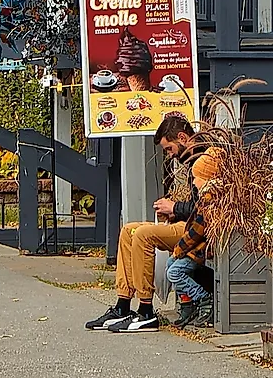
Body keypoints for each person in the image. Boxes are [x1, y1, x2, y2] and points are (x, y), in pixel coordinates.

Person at [90, 115, 216, 332]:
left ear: (183, 137)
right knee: (129, 230)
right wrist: (174, 211)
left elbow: (203, 209)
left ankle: (146, 310)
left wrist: (174, 208)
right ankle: (123, 304)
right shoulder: (195, 159)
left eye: (169, 149)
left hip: (198, 230)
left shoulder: (203, 162)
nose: (170, 155)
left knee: (143, 235)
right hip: (187, 223)